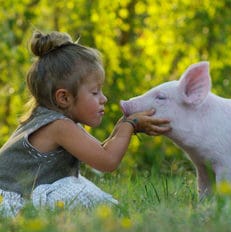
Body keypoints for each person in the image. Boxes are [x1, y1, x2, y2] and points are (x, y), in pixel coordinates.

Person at [0, 30, 171, 216]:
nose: (103, 99)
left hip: (29, 191)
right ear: (64, 97)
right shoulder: (58, 126)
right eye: (95, 92)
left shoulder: (53, 121)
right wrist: (128, 126)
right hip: (11, 200)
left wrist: (125, 124)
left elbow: (99, 151)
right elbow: (107, 161)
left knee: (83, 192)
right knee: (81, 195)